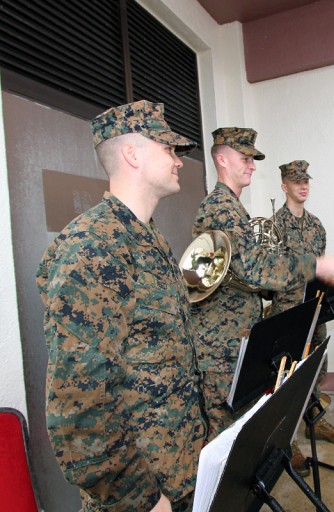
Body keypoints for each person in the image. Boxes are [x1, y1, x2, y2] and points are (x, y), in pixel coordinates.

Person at [36, 100, 207, 512]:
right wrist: (141, 497)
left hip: (179, 468)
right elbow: (79, 402)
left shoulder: (150, 239)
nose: (179, 160)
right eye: (168, 148)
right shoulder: (93, 247)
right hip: (141, 491)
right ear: (131, 154)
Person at [190, 129, 334, 438]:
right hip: (222, 341)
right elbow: (254, 267)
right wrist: (313, 264)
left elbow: (239, 275)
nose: (252, 165)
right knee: (229, 433)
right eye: (245, 158)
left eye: (253, 159)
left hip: (235, 331)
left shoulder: (233, 207)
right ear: (221, 159)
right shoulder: (220, 207)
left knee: (240, 425)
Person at [267, 160, 334, 476]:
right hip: (287, 313)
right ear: (284, 186)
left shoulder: (317, 226)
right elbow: (270, 273)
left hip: (314, 309)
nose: (303, 186)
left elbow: (320, 271)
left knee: (316, 368)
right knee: (287, 375)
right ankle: (286, 439)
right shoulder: (274, 227)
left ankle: (313, 419)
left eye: (306, 181)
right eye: (295, 181)